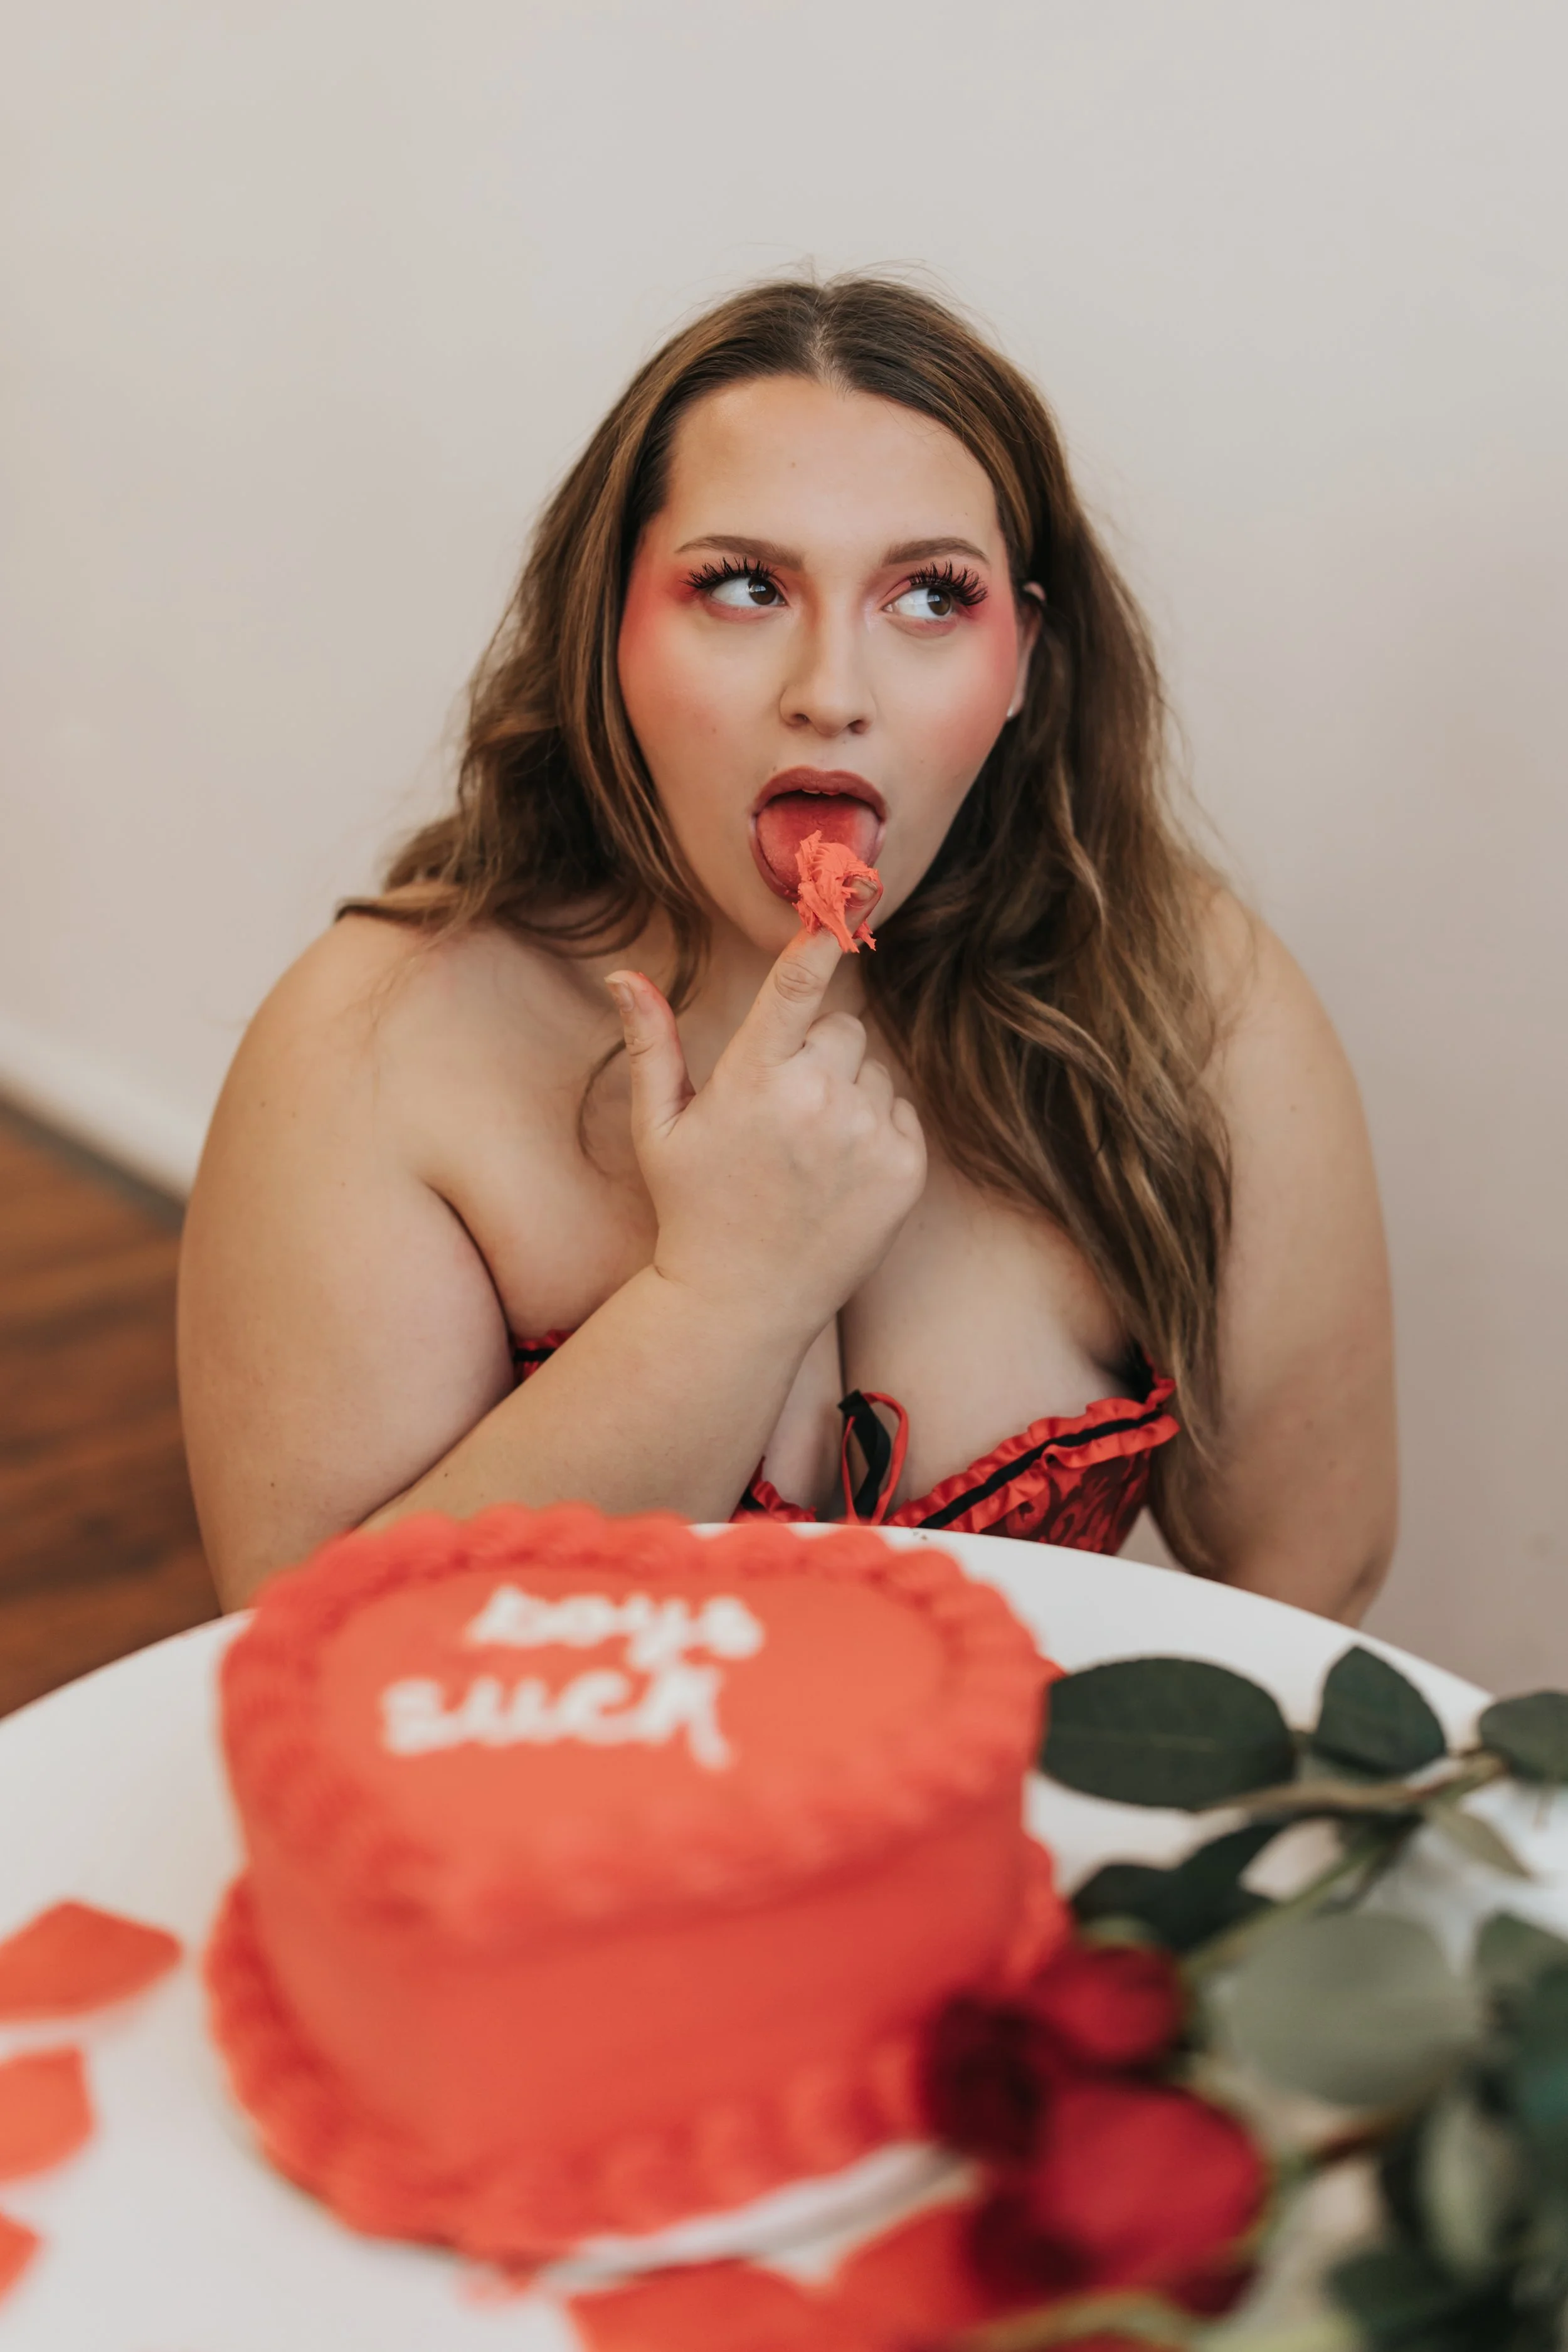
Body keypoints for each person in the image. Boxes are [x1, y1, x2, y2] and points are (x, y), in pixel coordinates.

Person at [177, 275, 1396, 1615]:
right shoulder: (371, 1041)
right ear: (610, 633)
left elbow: (1306, 1559)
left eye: (929, 598)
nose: (829, 693)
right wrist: (722, 1299)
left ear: (1025, 664)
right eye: (743, 586)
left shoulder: (1190, 999)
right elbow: (300, 1658)